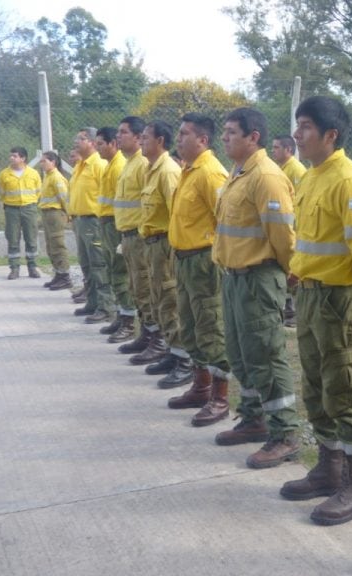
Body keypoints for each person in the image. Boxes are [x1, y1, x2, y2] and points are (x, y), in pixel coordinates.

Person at [279, 95, 352, 525]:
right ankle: (329, 467)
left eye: (305, 127)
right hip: (311, 294)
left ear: (330, 134)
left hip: (339, 298)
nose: (298, 135)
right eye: (298, 127)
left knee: (342, 386)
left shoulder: (349, 181)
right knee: (316, 384)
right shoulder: (312, 177)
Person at [212, 107, 300, 469]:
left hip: (258, 279)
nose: (225, 137)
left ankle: (285, 434)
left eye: (232, 132)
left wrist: (283, 273)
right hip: (234, 279)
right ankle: (253, 418)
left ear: (254, 137)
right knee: (240, 353)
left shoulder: (266, 176)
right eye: (225, 131)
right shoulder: (238, 173)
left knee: (266, 355)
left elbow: (283, 235)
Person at [165, 113, 233, 427]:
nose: (178, 140)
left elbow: (226, 221)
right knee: (190, 326)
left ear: (202, 140)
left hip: (204, 261)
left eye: (184, 134)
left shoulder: (210, 173)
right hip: (184, 259)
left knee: (210, 326)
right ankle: (201, 385)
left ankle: (220, 396)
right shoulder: (189, 171)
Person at [129, 120, 193, 389]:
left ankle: (185, 361)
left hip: (166, 244)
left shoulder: (167, 171)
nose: (141, 142)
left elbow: (177, 214)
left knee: (169, 298)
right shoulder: (152, 170)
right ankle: (172, 351)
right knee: (158, 298)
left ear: (160, 142)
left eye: (145, 138)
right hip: (152, 243)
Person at [114, 116, 155, 352]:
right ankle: (146, 333)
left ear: (138, 138)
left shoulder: (141, 165)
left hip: (139, 237)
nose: (119, 137)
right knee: (136, 287)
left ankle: (154, 336)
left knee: (145, 287)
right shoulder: (129, 163)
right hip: (128, 235)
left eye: (124, 132)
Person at [69, 127, 115, 324]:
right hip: (80, 221)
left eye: (80, 138)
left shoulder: (99, 164)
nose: (75, 142)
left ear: (91, 141)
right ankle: (92, 302)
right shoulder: (81, 165)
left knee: (98, 264)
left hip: (94, 222)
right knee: (86, 264)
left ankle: (106, 307)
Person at [95, 127, 135, 343]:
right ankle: (122, 314)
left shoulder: (119, 165)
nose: (97, 148)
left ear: (112, 144)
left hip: (116, 224)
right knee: (112, 269)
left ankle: (129, 320)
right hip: (108, 222)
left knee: (120, 272)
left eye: (101, 143)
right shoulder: (111, 165)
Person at [271, 134, 307, 328]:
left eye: (277, 147)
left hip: (294, 228)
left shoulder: (297, 170)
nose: (273, 150)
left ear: (288, 150)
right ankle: (288, 309)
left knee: (294, 271)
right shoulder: (279, 169)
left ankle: (296, 312)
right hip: (285, 227)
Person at [0, 146, 42, 280]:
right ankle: (14, 268)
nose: (11, 158)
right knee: (12, 239)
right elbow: (1, 193)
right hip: (11, 209)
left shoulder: (33, 174)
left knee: (31, 238)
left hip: (29, 208)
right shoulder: (4, 174)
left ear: (23, 158)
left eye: (15, 156)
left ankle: (32, 267)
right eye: (10, 156)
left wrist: (31, 203)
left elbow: (38, 191)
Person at [38, 151, 72, 290]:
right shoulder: (48, 177)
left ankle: (64, 276)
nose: (42, 164)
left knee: (57, 244)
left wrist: (69, 214)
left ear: (53, 162)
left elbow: (64, 197)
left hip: (55, 214)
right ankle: (58, 273)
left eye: (44, 161)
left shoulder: (56, 177)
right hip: (47, 214)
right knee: (50, 245)